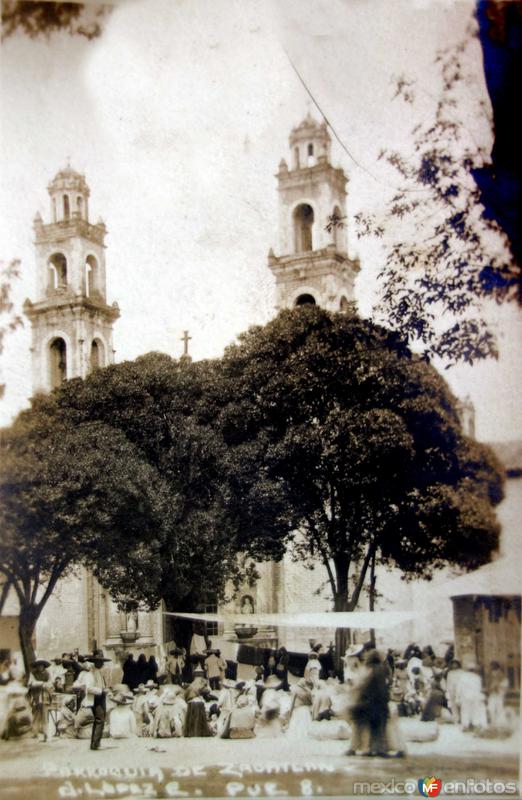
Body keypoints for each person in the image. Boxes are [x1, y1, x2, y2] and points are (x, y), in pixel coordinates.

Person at [349, 650, 389, 757]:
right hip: (380, 703)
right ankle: (379, 749)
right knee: (378, 728)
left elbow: (363, 686)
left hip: (369, 702)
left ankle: (364, 749)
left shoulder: (369, 670)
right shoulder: (382, 669)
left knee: (364, 727)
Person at [74, 649, 110, 750]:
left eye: (102, 661)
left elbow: (101, 685)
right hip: (96, 698)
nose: (101, 663)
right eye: (100, 661)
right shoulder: (90, 673)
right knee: (99, 719)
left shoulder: (99, 672)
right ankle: (95, 743)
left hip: (100, 697)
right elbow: (88, 688)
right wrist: (101, 691)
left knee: (100, 719)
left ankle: (96, 742)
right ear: (95, 662)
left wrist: (105, 690)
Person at [28, 658, 53, 741]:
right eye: (38, 665)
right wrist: (42, 683)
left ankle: (45, 734)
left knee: (45, 716)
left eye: (41, 665)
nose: (39, 667)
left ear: (44, 666)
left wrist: (44, 685)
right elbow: (31, 683)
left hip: (44, 697)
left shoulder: (48, 674)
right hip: (35, 696)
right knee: (35, 715)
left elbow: (50, 684)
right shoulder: (33, 674)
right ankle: (34, 732)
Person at [486, 661, 508, 728]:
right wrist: (491, 688)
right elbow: (489, 684)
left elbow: (505, 683)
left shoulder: (501, 674)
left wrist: (498, 686)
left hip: (499, 693)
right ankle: (493, 723)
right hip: (492, 693)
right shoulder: (490, 674)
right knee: (490, 708)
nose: (491, 667)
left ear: (496, 666)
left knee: (499, 708)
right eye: (491, 666)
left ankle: (500, 723)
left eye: (492, 666)